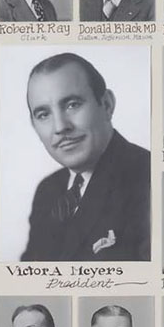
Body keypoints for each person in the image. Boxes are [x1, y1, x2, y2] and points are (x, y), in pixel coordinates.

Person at [21, 53, 150, 261]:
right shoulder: (48, 191)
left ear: (106, 105)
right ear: (34, 125)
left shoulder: (148, 178)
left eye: (72, 104)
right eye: (44, 114)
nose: (60, 127)